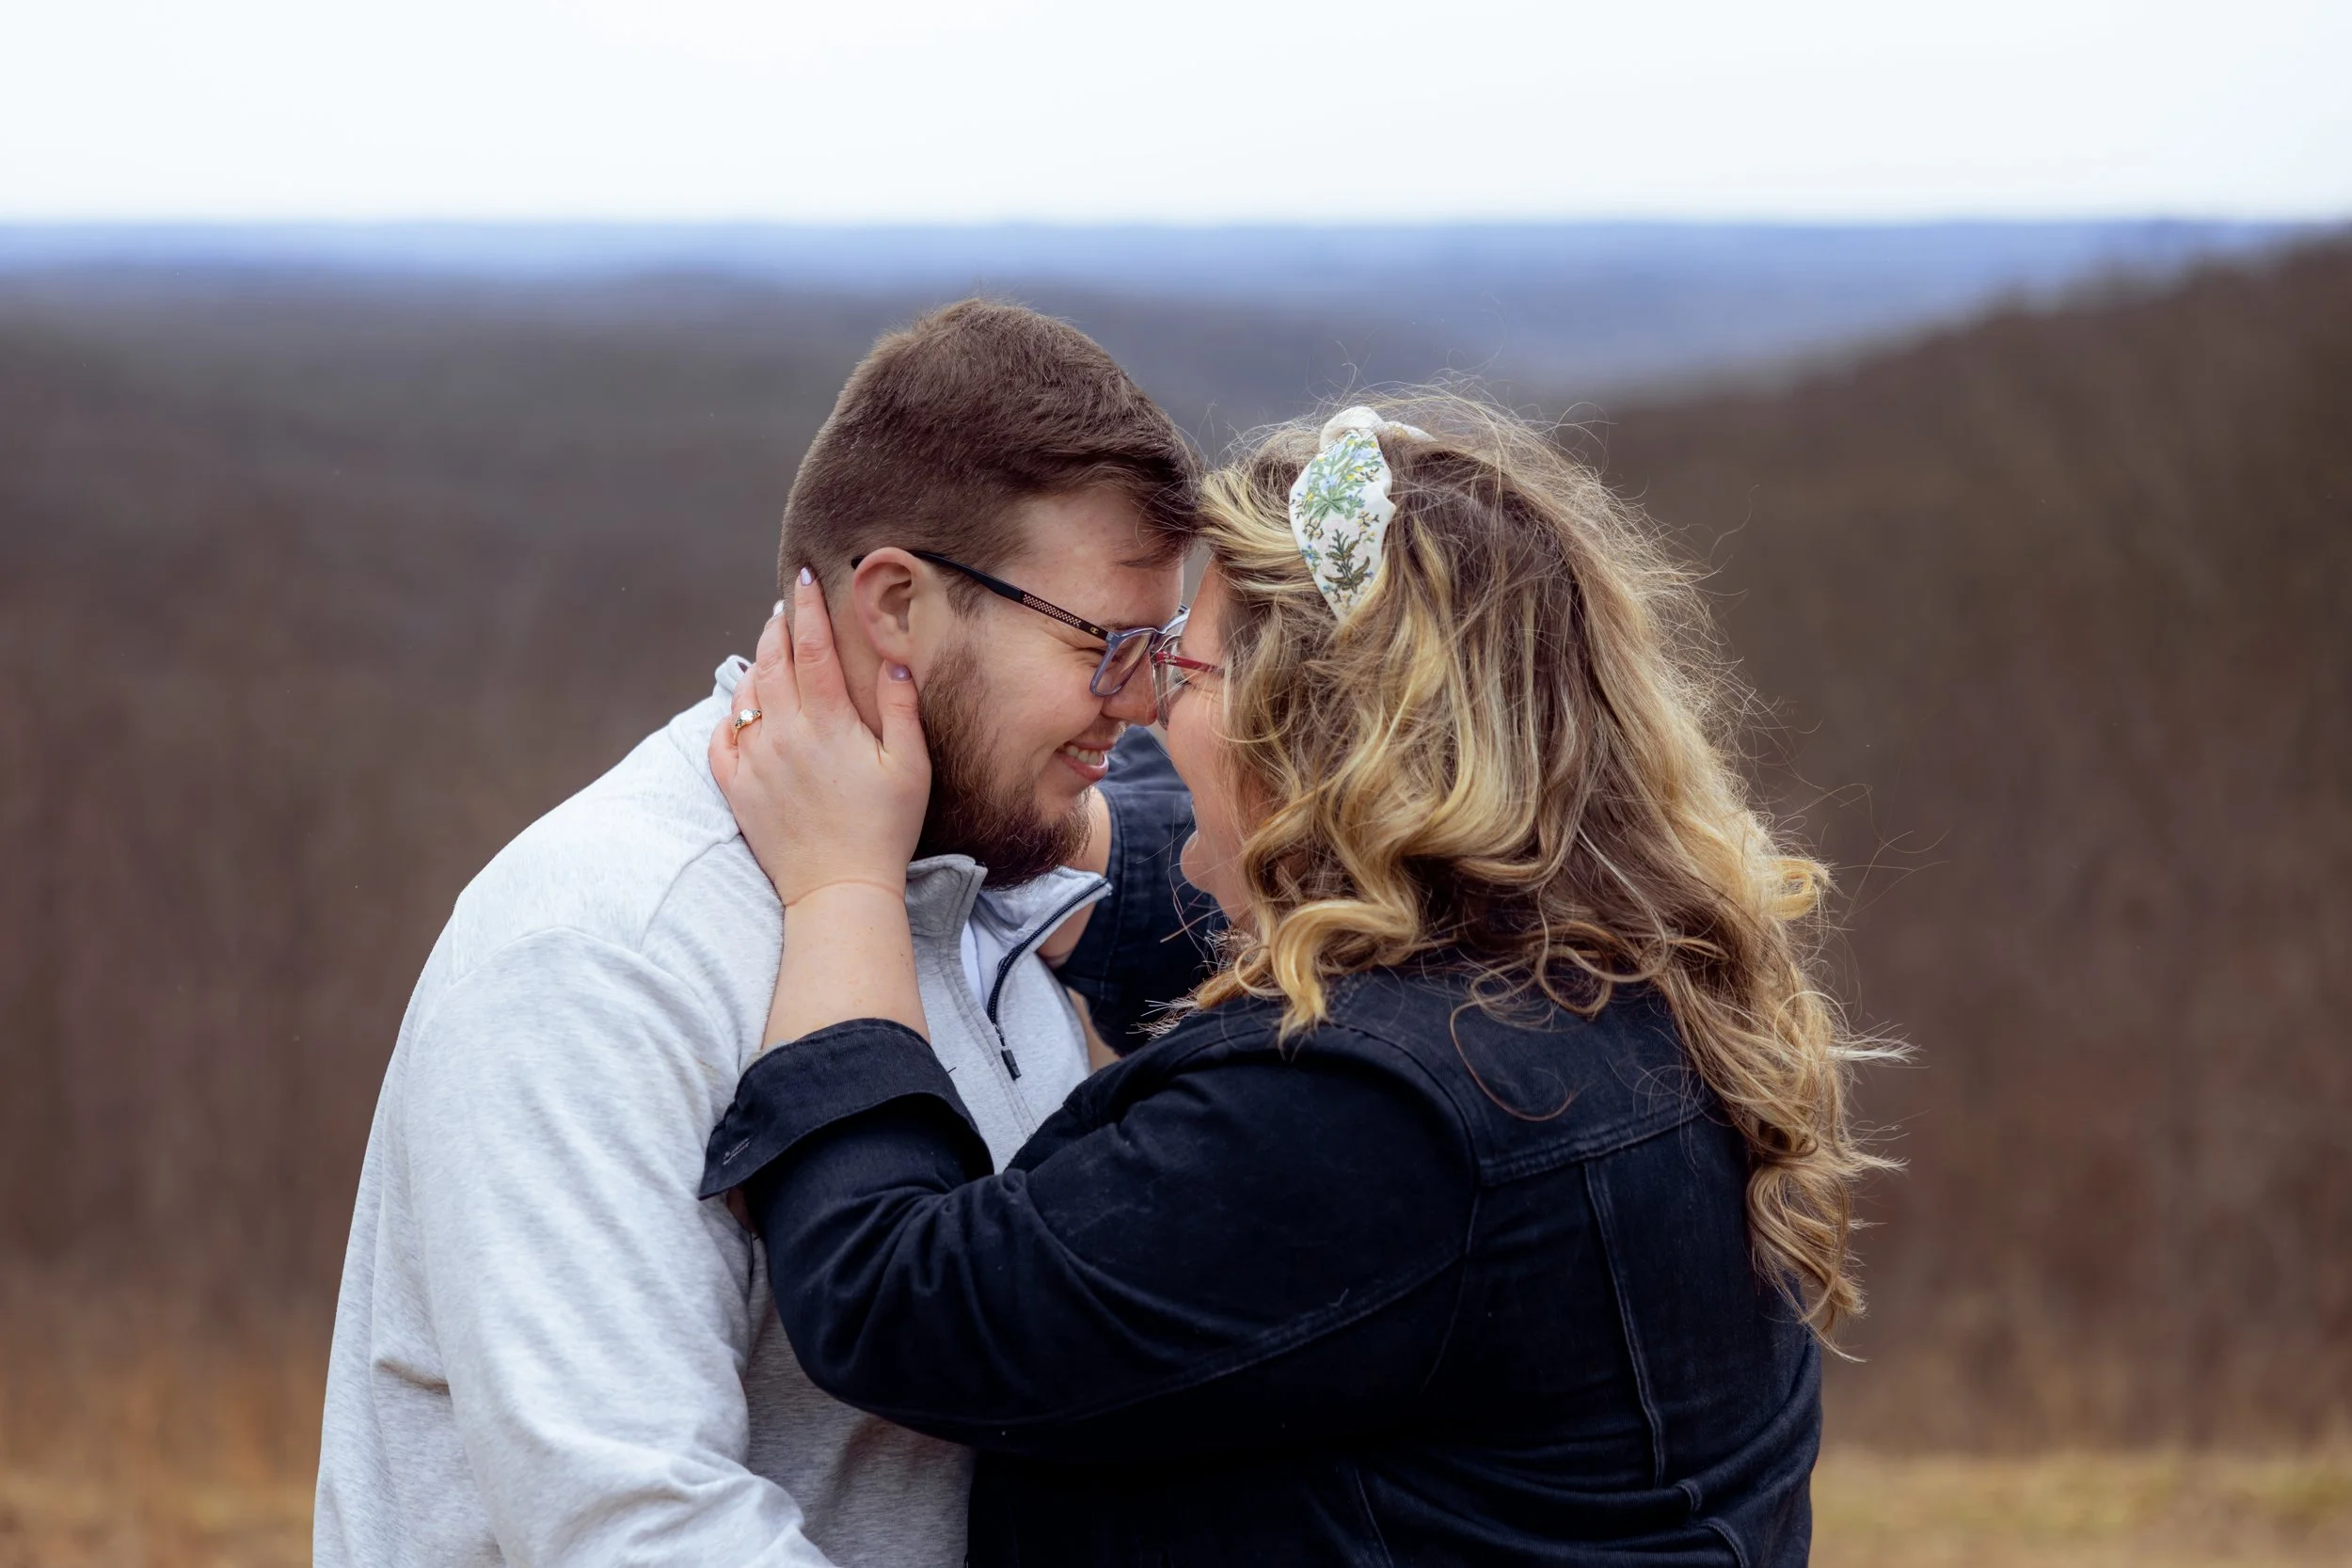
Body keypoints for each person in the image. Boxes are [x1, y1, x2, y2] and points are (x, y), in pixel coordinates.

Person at [703, 396, 1894, 1566]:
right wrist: (1022, 818)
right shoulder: (1619, 978)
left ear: (1314, 726)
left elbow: (900, 1301)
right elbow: (1264, 946)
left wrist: (844, 885)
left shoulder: (1369, 1121)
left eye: (1186, 669)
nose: (1148, 708)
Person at [314, 300, 1204, 1568]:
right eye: (1103, 643)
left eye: (1162, 648)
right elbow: (635, 1526)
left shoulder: (984, 891)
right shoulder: (599, 950)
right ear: (895, 602)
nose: (1143, 703)